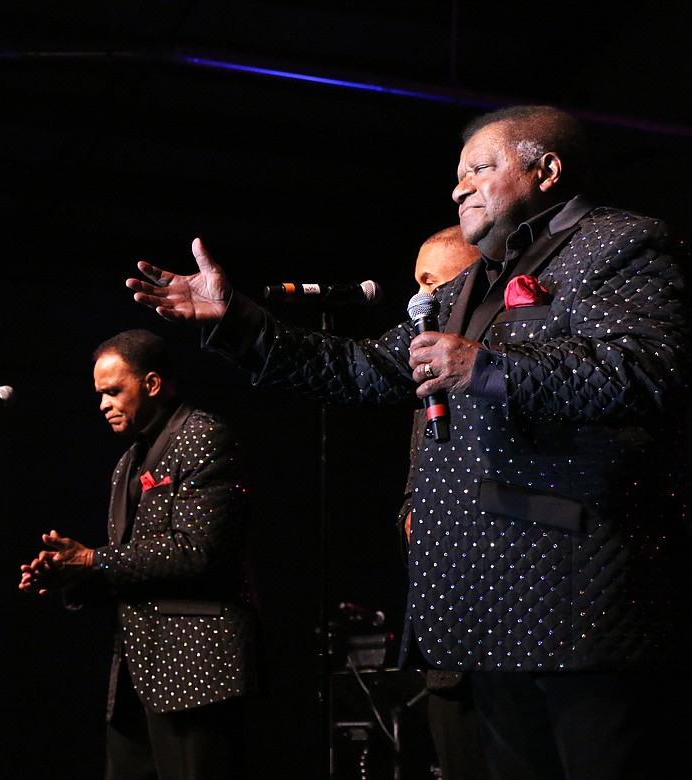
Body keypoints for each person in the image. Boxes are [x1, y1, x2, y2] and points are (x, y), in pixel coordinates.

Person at [126, 105, 692, 780]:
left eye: (480, 169)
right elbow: (363, 368)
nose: (459, 188)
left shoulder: (621, 243)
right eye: (457, 176)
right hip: (486, 605)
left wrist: (487, 367)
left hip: (579, 596)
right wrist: (240, 324)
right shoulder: (464, 286)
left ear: (548, 171)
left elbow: (646, 371)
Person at [19, 329, 259, 780]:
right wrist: (70, 573)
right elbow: (129, 563)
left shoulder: (203, 435)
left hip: (197, 671)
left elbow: (197, 552)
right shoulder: (127, 462)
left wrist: (92, 560)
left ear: (150, 384)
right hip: (137, 673)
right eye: (100, 394)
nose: (103, 404)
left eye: (113, 391)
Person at [402, 226, 489, 780]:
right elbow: (416, 481)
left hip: (516, 620)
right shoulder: (424, 370)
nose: (420, 298)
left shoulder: (501, 357)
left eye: (431, 282)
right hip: (447, 627)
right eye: (416, 284)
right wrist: (410, 516)